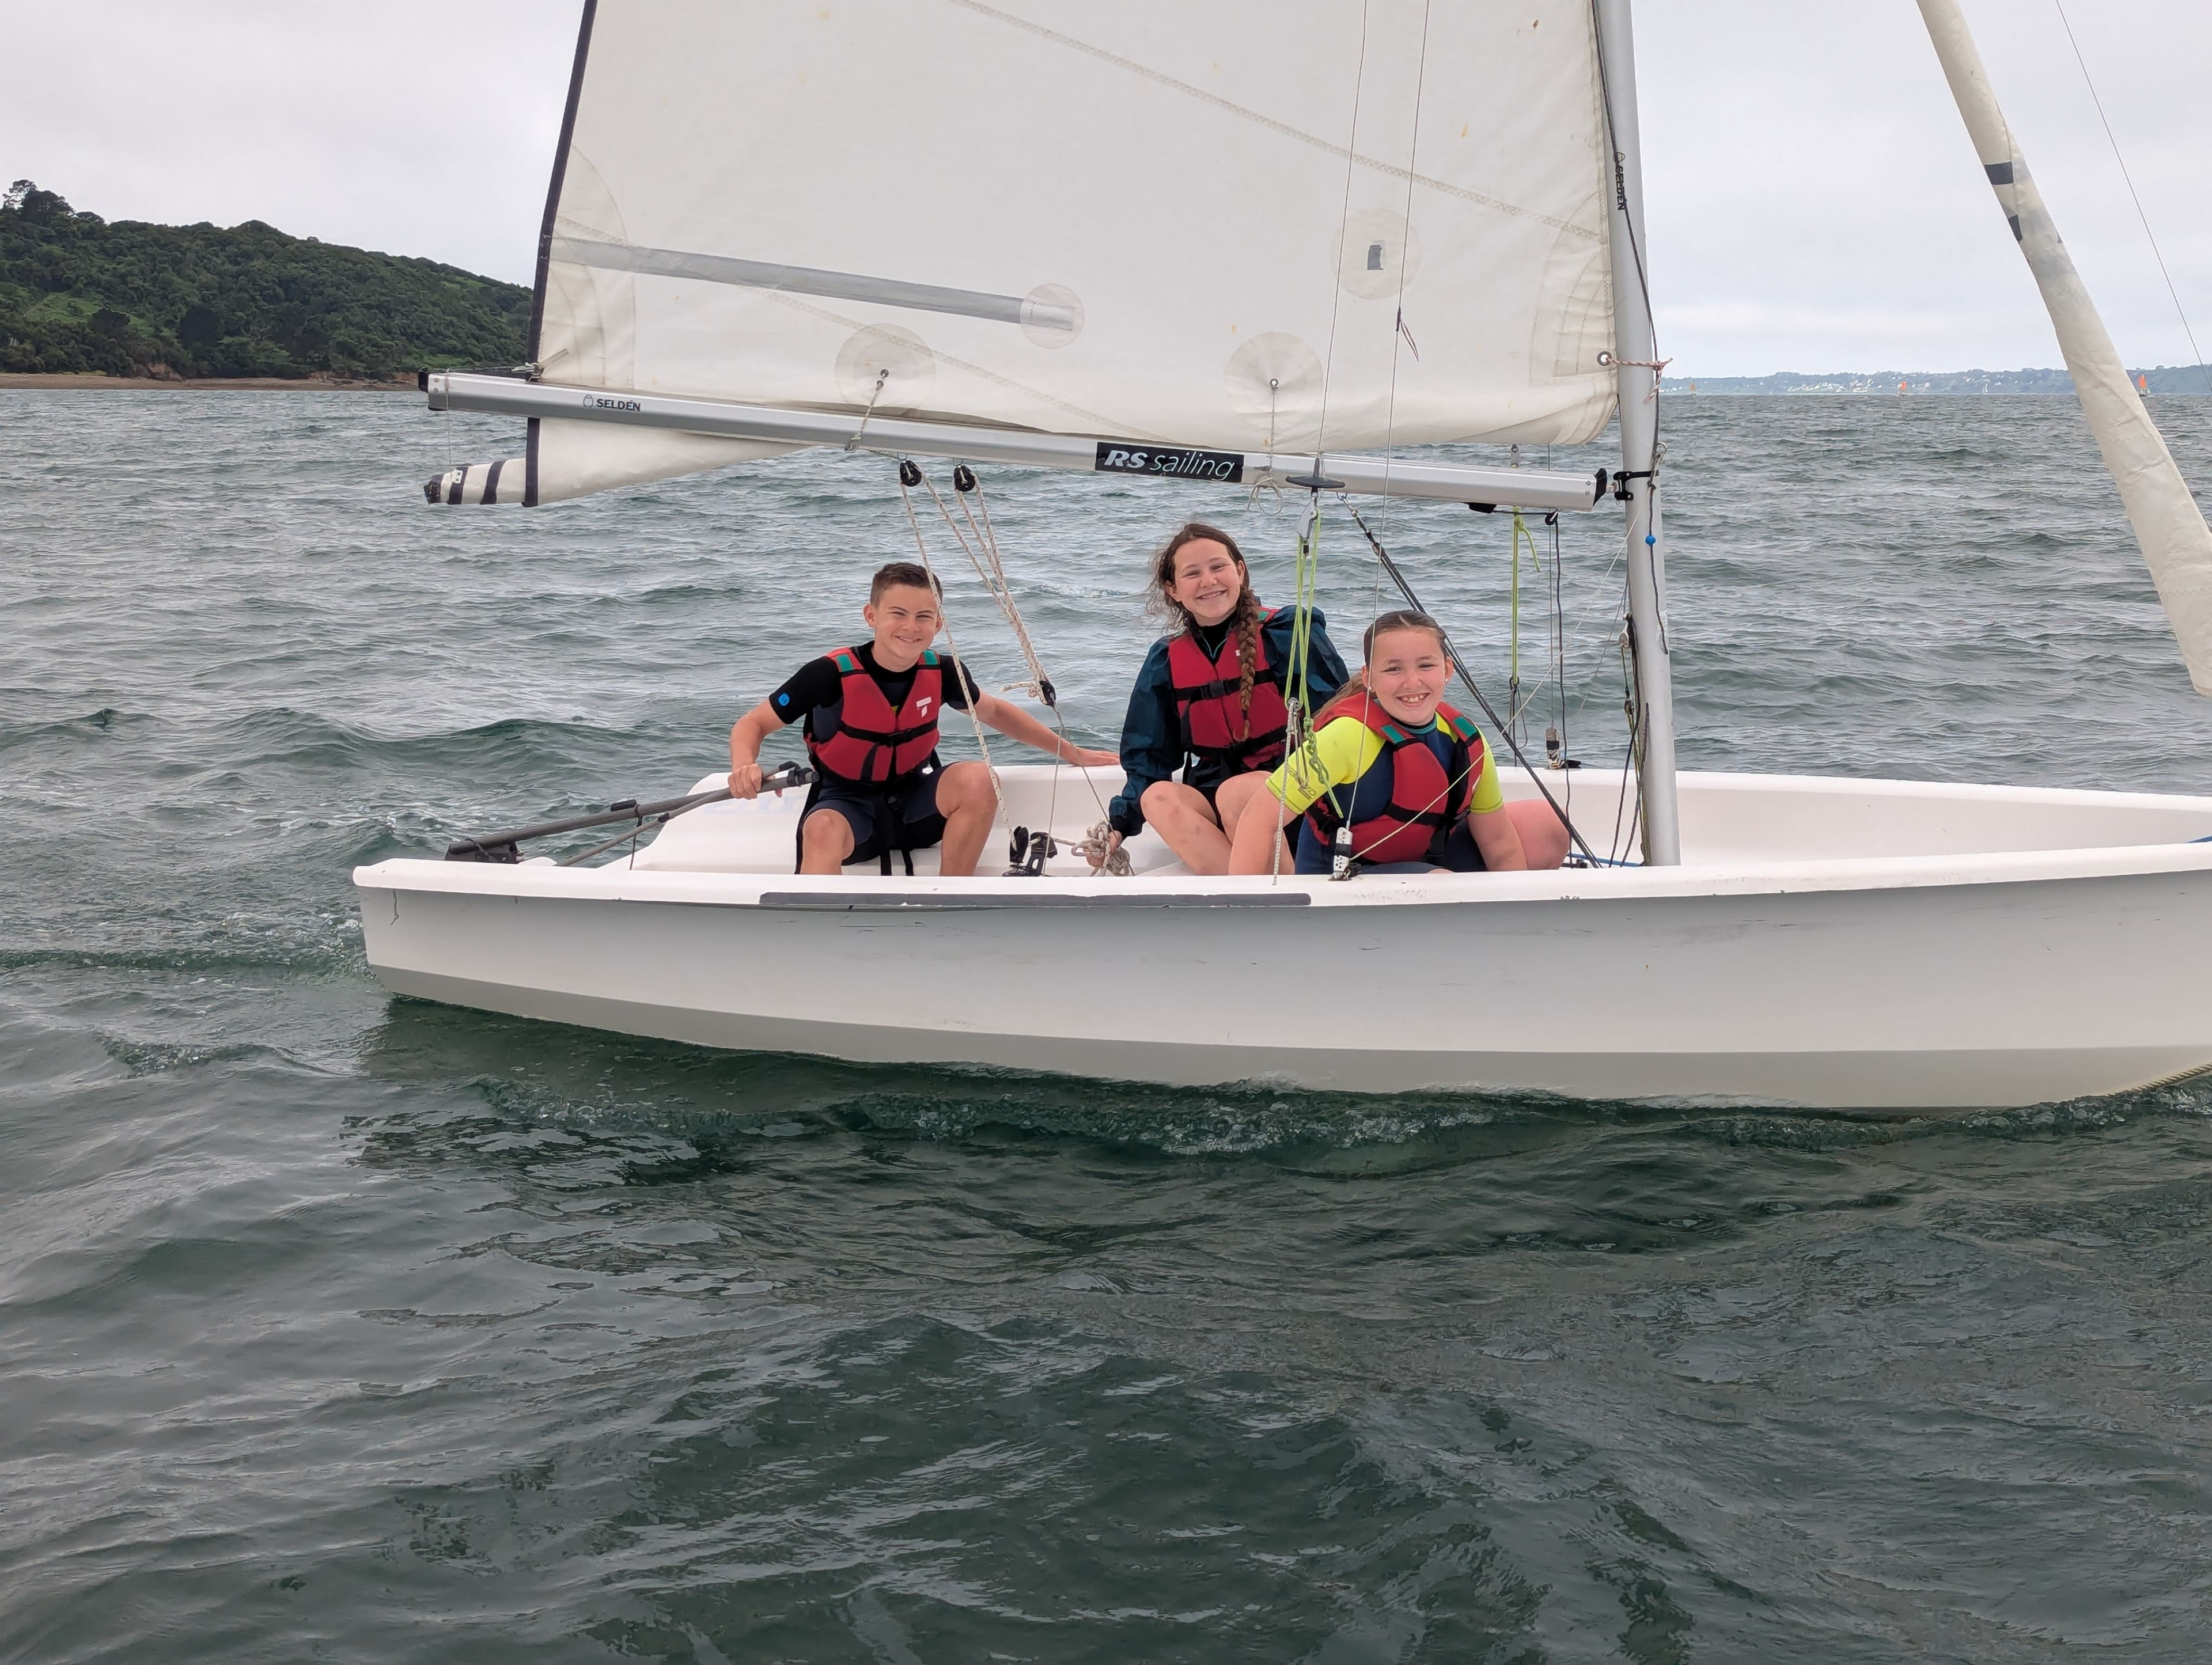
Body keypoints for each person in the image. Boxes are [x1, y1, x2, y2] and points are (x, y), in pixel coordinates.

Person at [728, 561, 1116, 876]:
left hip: (914, 804)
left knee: (980, 778)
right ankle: (819, 929)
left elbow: (997, 713)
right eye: (898, 614)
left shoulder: (944, 671)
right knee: (820, 829)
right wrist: (744, 765)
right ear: (871, 615)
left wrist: (1072, 752)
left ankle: (949, 901)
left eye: (923, 616)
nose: (911, 627)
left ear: (938, 624)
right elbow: (752, 724)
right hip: (846, 807)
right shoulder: (828, 674)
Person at [1228, 609, 1571, 876]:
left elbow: (1498, 842)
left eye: (1426, 666)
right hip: (1343, 876)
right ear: (1369, 678)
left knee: (1547, 826)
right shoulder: (1344, 737)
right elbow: (1260, 818)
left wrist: (1512, 909)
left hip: (1427, 857)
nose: (1412, 682)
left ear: (1447, 670)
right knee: (1438, 882)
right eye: (1393, 669)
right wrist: (1247, 913)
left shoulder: (1466, 739)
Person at [1096, 522, 1350, 875]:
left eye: (1218, 567)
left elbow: (1340, 720)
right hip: (1217, 792)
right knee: (1158, 797)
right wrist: (1119, 827)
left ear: (1240, 572)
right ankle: (1247, 888)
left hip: (1293, 797)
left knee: (1239, 792)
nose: (1208, 581)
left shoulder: (1287, 632)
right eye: (1192, 573)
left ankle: (1261, 887)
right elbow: (1148, 760)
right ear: (1173, 589)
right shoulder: (1165, 660)